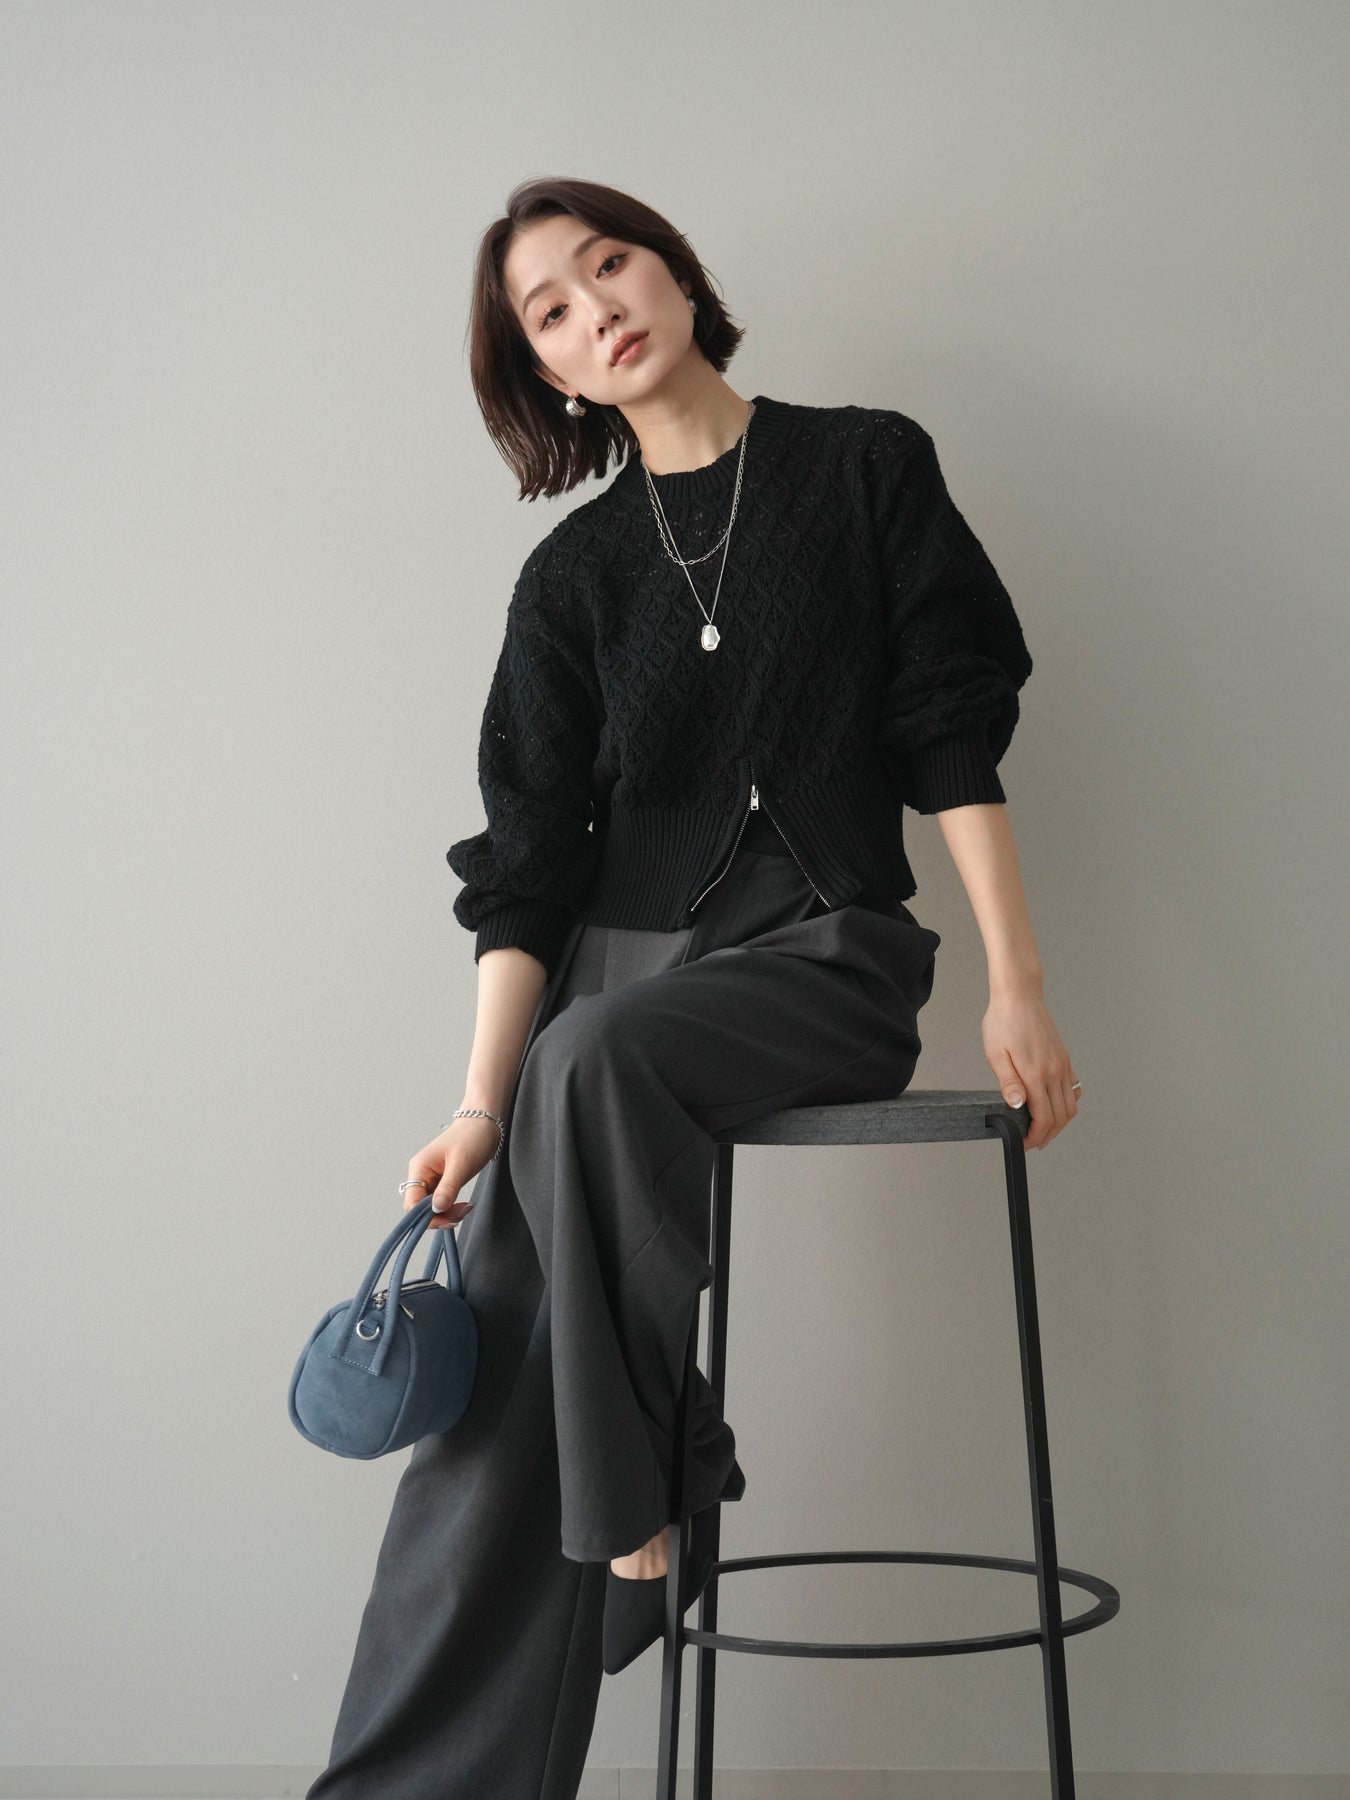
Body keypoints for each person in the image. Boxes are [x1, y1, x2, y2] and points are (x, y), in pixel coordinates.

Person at [305, 175, 1081, 1800]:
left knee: (586, 1071)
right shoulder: (572, 581)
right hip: (611, 995)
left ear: (670, 273)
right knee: (494, 1385)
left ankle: (640, 1487)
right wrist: (475, 1105)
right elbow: (529, 869)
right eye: (552, 311)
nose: (597, 308)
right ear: (547, 374)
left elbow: (946, 729)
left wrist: (1016, 983)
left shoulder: (861, 466)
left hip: (825, 956)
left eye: (610, 265)